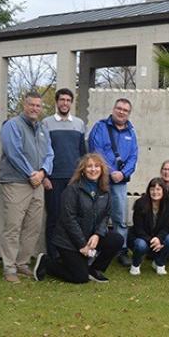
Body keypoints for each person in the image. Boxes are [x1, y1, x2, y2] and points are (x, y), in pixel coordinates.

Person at [33, 153, 123, 283]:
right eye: (89, 166)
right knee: (80, 278)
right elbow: (68, 219)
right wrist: (82, 244)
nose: (93, 169)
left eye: (97, 166)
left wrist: (97, 235)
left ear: (102, 169)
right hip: (69, 241)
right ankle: (47, 263)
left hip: (90, 237)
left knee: (117, 239)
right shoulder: (72, 190)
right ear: (83, 170)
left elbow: (106, 216)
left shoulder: (105, 191)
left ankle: (94, 270)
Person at [0, 91, 54, 283]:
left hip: (37, 183)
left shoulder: (42, 128)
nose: (35, 109)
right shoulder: (12, 125)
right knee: (13, 226)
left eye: (38, 106)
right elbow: (13, 152)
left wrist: (43, 172)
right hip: (16, 182)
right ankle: (9, 267)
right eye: (31, 105)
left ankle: (22, 263)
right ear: (24, 105)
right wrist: (31, 173)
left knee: (33, 226)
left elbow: (50, 154)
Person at [88, 97, 138, 267]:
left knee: (120, 218)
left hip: (120, 183)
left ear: (128, 113)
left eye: (125, 110)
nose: (121, 112)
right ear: (113, 109)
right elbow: (96, 151)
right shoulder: (100, 127)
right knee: (96, 215)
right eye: (119, 108)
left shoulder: (131, 132)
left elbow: (133, 157)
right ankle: (93, 248)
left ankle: (121, 250)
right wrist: (110, 172)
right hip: (100, 180)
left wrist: (123, 174)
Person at [40, 88, 87, 260]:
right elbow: (41, 151)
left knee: (73, 217)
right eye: (62, 100)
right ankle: (53, 255)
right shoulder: (46, 123)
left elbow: (83, 152)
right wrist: (44, 176)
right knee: (54, 216)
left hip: (74, 179)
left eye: (68, 100)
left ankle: (71, 253)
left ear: (71, 103)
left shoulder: (79, 124)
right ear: (56, 102)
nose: (65, 103)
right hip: (53, 178)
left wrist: (83, 176)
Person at [129, 177, 169, 275]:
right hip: (141, 237)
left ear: (163, 190)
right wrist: (153, 240)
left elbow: (167, 227)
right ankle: (135, 264)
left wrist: (159, 239)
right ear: (148, 190)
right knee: (140, 245)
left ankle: (159, 263)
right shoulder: (140, 203)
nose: (155, 192)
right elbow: (138, 228)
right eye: (152, 189)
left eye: (158, 189)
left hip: (158, 236)